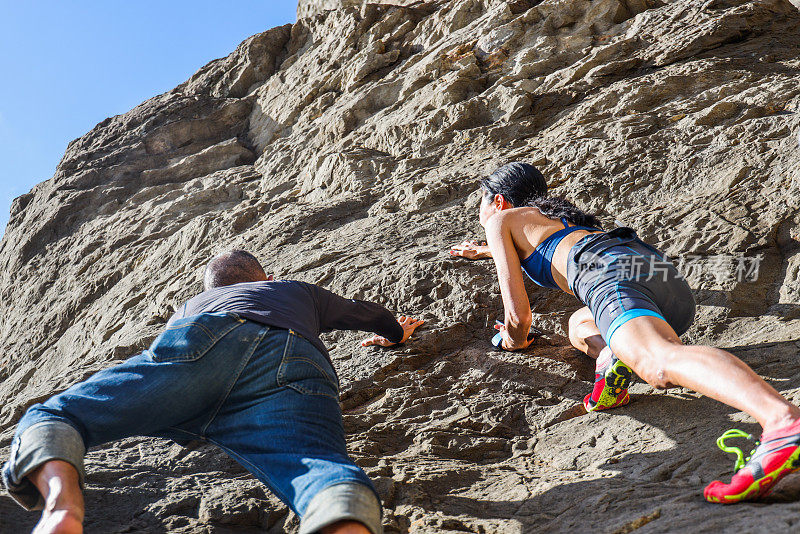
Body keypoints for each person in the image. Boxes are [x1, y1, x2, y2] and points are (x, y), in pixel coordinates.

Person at [2, 249, 424, 534]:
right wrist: (396, 333)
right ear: (268, 278)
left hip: (201, 347)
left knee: (59, 414)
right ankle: (343, 521)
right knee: (319, 466)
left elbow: (167, 364)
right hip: (293, 358)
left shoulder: (190, 307)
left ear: (209, 290)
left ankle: (62, 507)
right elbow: (363, 314)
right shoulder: (293, 290)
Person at [449, 162, 800, 503]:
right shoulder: (556, 218)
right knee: (579, 325)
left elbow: (518, 316)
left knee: (659, 363)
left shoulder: (500, 221)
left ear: (498, 201)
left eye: (481, 204)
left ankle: (783, 423)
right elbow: (550, 248)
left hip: (607, 273)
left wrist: (514, 340)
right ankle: (611, 361)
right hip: (660, 281)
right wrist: (486, 251)